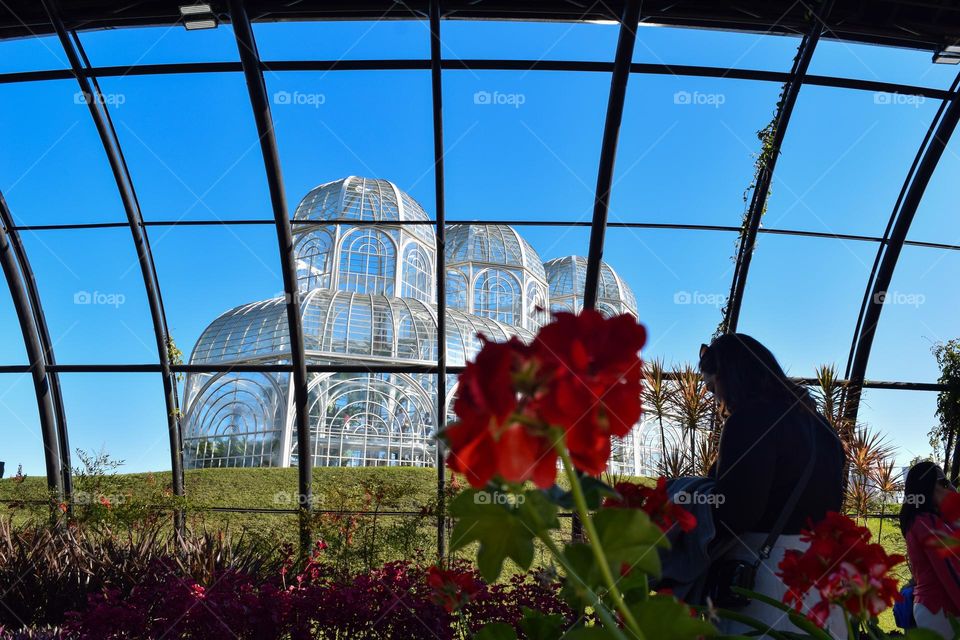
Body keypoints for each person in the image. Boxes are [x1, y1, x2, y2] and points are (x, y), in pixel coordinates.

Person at [699, 333, 845, 636]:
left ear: (730, 376)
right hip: (823, 578)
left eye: (714, 386)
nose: (716, 397)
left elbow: (738, 513)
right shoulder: (822, 428)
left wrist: (693, 497)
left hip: (763, 584)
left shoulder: (749, 419)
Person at [901, 461, 960, 638]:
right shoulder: (927, 523)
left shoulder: (923, 521)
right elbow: (952, 571)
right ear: (926, 488)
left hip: (934, 609)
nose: (950, 486)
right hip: (942, 610)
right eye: (943, 483)